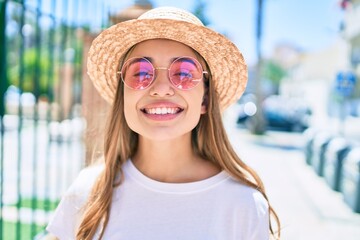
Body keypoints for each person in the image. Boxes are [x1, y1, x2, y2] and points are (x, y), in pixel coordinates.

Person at [46, 6, 280, 240]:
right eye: (140, 73)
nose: (160, 89)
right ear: (123, 96)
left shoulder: (243, 206)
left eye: (184, 73)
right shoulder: (87, 192)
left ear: (205, 99)